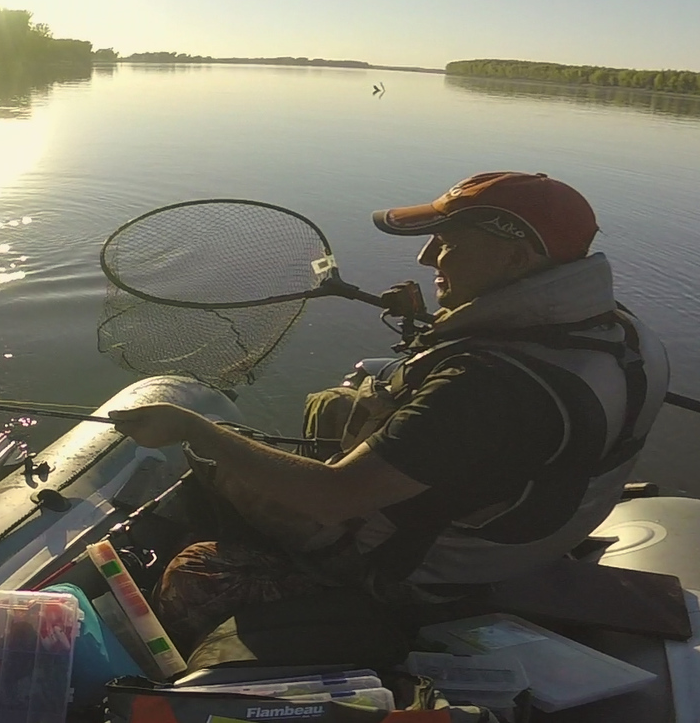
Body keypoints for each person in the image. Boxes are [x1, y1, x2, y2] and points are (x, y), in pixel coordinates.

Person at [109, 171, 670, 651]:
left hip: (426, 567)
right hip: (518, 520)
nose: (427, 256)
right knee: (331, 407)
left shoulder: (486, 388)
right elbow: (507, 384)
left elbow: (337, 496)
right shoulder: (620, 330)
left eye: (448, 243)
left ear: (516, 255)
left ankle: (290, 586)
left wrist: (194, 429)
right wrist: (437, 321)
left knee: (203, 534)